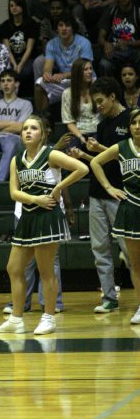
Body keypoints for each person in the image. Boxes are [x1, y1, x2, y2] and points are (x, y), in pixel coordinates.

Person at [0, 116, 88, 335]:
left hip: (47, 217)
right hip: (27, 216)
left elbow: (81, 168)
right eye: (25, 128)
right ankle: (17, 319)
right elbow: (13, 192)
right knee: (14, 268)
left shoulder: (51, 154)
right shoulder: (16, 160)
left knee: (45, 271)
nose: (28, 131)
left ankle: (49, 317)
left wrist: (58, 187)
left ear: (42, 134)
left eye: (33, 128)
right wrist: (35, 199)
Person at [70, 78, 130, 313]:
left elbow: (127, 157)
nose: (99, 106)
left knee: (129, 249)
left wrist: (98, 151)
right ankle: (109, 297)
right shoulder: (103, 124)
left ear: (113, 96)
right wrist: (84, 156)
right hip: (97, 193)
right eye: (96, 102)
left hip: (120, 193)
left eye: (101, 101)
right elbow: (98, 162)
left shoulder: (131, 122)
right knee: (100, 248)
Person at [90, 107, 140, 324]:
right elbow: (95, 162)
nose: (138, 127)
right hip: (130, 210)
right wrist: (109, 188)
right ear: (129, 127)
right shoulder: (122, 147)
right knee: (137, 264)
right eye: (134, 123)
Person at [0, 69, 33, 182]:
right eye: (3, 81)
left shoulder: (25, 104)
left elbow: (21, 127)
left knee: (11, 144)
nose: (5, 84)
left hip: (13, 138)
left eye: (9, 80)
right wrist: (12, 123)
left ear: (16, 84)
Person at [34, 13, 93, 113]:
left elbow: (84, 69)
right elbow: (47, 66)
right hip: (65, 81)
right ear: (57, 29)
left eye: (67, 25)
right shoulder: (52, 44)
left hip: (84, 80)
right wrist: (47, 75)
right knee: (40, 83)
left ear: (73, 28)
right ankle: (42, 119)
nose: (64, 28)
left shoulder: (84, 42)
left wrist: (63, 75)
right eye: (61, 25)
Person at [97, 0, 140, 77]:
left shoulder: (138, 13)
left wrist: (128, 43)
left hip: (134, 51)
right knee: (104, 64)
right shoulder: (111, 11)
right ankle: (109, 90)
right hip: (115, 51)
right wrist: (106, 44)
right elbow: (100, 38)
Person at [0, 0, 39, 92]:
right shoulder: (5, 25)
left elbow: (29, 48)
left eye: (17, 5)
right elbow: (7, 49)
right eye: (11, 6)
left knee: (24, 72)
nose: (14, 8)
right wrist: (14, 64)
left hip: (28, 58)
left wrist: (20, 64)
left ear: (23, 6)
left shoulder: (31, 24)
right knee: (7, 73)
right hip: (11, 58)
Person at [61, 58, 99, 148]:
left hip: (98, 131)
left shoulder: (97, 89)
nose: (90, 72)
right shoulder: (67, 93)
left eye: (91, 68)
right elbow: (69, 122)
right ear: (77, 73)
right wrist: (80, 137)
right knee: (73, 149)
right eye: (85, 69)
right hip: (78, 133)